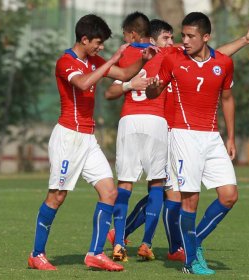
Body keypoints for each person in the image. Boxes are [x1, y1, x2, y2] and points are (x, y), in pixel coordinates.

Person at [106, 16, 249, 264]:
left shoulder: (180, 54)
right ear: (152, 39)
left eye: (175, 37)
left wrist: (243, 40)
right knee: (170, 193)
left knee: (166, 192)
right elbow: (114, 88)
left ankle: (126, 233)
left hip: (179, 132)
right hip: (170, 132)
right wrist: (135, 85)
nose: (175, 41)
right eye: (167, 38)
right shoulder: (156, 57)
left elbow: (214, 57)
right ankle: (174, 246)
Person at [27, 14, 156, 271]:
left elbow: (122, 72)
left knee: (109, 192)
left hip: (87, 139)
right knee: (57, 197)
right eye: (97, 43)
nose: (100, 47)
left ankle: (95, 253)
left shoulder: (94, 60)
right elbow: (85, 83)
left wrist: (141, 60)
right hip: (68, 138)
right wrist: (111, 60)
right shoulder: (66, 62)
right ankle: (37, 254)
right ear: (84, 39)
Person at [145, 12, 240, 275]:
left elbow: (228, 99)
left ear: (206, 37)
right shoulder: (173, 59)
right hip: (183, 135)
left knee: (229, 195)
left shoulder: (223, 63)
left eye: (190, 36)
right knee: (191, 201)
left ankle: (193, 242)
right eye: (183, 35)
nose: (184, 40)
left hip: (212, 137)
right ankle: (190, 261)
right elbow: (156, 90)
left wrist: (230, 137)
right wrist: (152, 88)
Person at [103, 12, 168, 262]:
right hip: (156, 121)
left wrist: (129, 84)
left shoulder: (126, 54)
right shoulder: (165, 54)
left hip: (129, 120)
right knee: (157, 184)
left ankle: (119, 243)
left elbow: (110, 92)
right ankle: (146, 244)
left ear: (131, 34)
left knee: (125, 183)